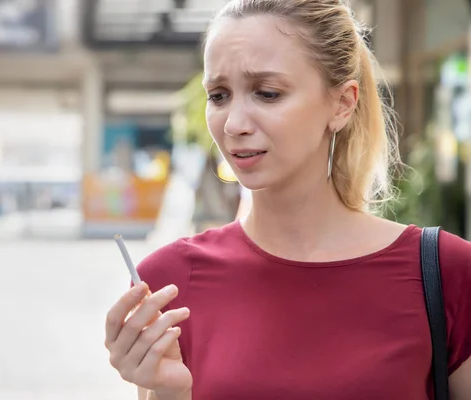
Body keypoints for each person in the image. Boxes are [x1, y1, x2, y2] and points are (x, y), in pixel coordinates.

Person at [104, 1, 471, 399]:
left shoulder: (447, 272)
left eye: (267, 93)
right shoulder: (168, 283)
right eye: (219, 95)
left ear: (343, 103)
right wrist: (167, 393)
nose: (234, 124)